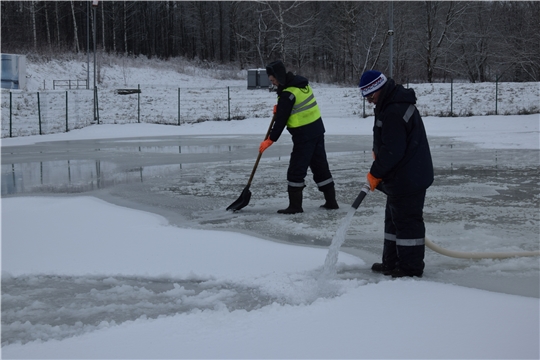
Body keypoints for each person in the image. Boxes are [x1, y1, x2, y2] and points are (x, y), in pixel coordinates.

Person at [359, 70, 433, 278]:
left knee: (407, 223)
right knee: (393, 220)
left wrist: (375, 173)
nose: (371, 102)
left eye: (371, 97)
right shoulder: (391, 104)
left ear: (379, 90)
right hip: (401, 175)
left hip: (409, 176)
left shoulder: (394, 110)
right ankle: (391, 262)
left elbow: (393, 150)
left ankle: (410, 268)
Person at [259, 60, 338, 214]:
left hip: (304, 136)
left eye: (274, 80)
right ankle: (331, 202)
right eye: (271, 81)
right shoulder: (301, 85)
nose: (273, 83)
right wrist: (281, 106)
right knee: (320, 167)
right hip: (317, 131)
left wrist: (270, 139)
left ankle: (295, 206)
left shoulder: (288, 93)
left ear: (280, 76)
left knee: (296, 169)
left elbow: (281, 121)